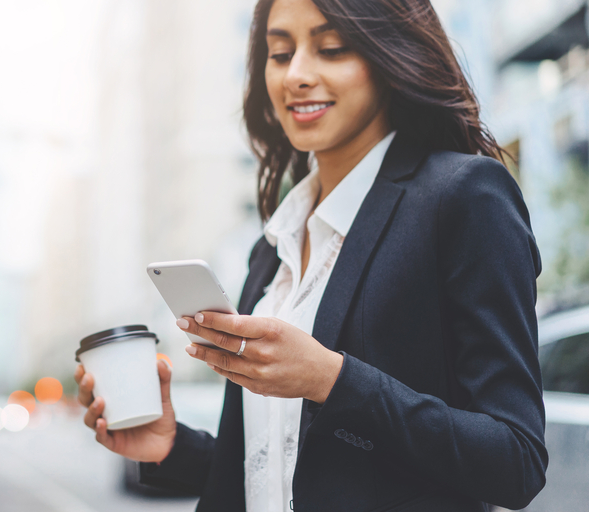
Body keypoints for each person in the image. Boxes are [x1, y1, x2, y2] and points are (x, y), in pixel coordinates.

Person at [73, 0, 548, 510]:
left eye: (331, 48)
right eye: (279, 53)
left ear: (391, 54)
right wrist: (170, 445)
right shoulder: (272, 247)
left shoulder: (463, 198)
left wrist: (331, 380)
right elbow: (278, 474)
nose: (296, 74)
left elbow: (515, 461)